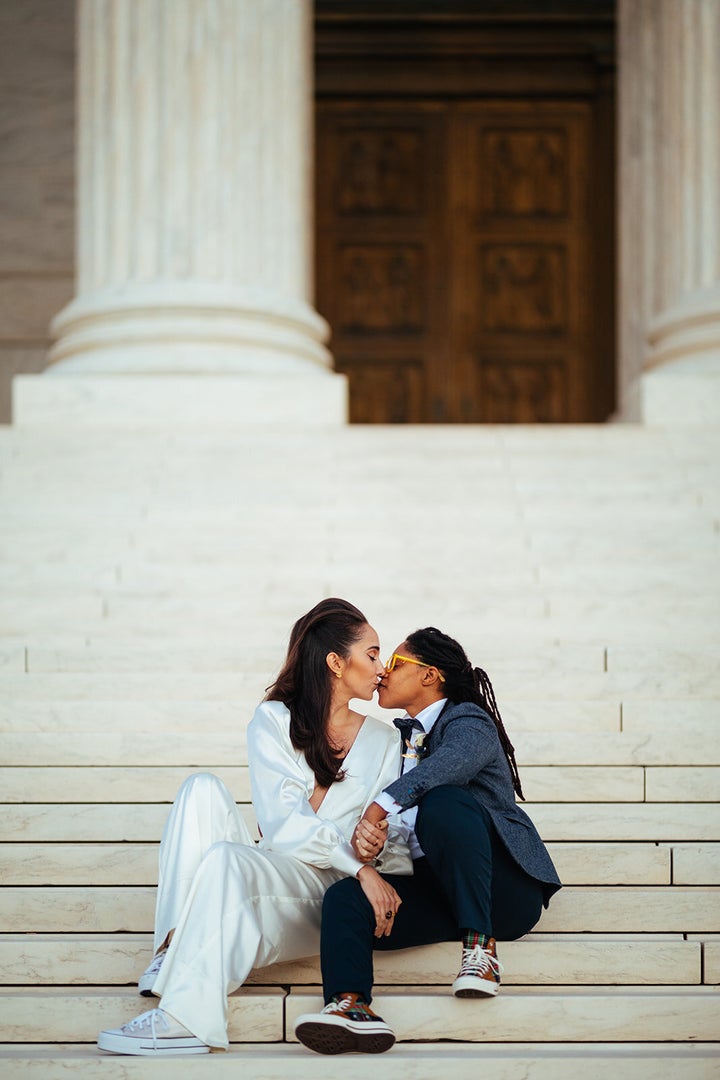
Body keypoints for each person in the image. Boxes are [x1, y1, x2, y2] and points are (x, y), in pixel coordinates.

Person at [97, 599, 412, 1056]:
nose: (381, 667)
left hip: (327, 893)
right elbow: (282, 825)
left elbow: (397, 832)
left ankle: (185, 1019)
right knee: (200, 788)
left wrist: (374, 848)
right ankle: (173, 946)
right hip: (275, 869)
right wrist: (358, 863)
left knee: (227, 860)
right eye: (372, 653)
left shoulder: (385, 739)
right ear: (335, 663)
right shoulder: (274, 719)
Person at [294, 626, 562, 1056]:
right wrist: (372, 841)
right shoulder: (397, 742)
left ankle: (480, 950)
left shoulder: (467, 720)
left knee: (443, 802)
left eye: (395, 662)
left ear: (429, 675)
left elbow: (449, 766)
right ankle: (351, 1006)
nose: (383, 672)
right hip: (439, 891)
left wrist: (380, 806)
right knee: (346, 898)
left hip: (503, 893)